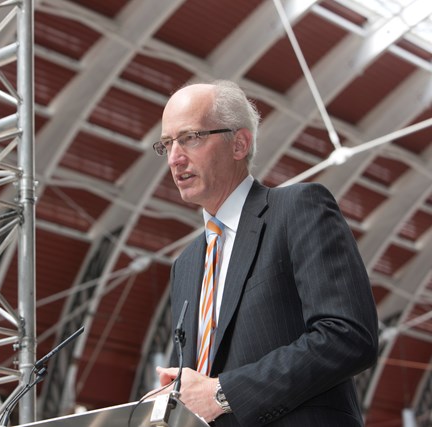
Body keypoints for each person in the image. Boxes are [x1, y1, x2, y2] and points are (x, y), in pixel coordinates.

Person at [149, 80, 378, 426]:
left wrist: (224, 392)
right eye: (167, 144)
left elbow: (347, 335)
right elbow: (195, 387)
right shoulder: (186, 264)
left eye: (190, 138)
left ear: (239, 143)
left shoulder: (298, 209)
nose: (175, 158)